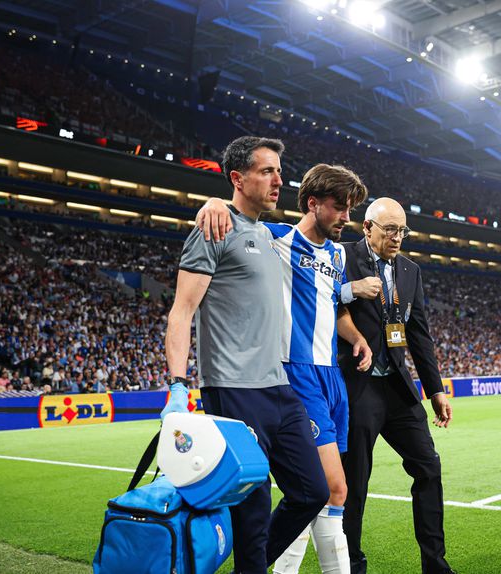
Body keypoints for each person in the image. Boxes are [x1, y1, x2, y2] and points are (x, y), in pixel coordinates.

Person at [195, 163, 382, 574]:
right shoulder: (275, 239)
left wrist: (356, 338)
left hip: (331, 376)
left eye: (351, 209)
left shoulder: (336, 253)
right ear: (312, 203)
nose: (346, 218)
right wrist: (213, 202)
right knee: (333, 487)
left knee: (323, 493)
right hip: (294, 374)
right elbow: (237, 217)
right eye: (339, 207)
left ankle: (270, 569)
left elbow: (332, 303)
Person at [164, 136, 330, 574]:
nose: (279, 180)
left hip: (279, 388)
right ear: (238, 178)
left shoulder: (269, 234)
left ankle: (248, 568)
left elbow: (321, 240)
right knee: (253, 513)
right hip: (234, 391)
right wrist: (178, 386)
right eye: (267, 171)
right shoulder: (214, 228)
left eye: (279, 170)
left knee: (312, 492)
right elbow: (182, 312)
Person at [338, 197, 454, 574]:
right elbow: (313, 300)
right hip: (357, 386)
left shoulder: (410, 271)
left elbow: (419, 334)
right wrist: (351, 289)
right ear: (367, 227)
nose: (397, 236)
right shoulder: (340, 257)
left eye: (402, 229)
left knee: (428, 467)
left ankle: (435, 565)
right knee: (354, 483)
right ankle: (352, 565)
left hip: (398, 388)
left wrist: (435, 389)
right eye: (389, 229)